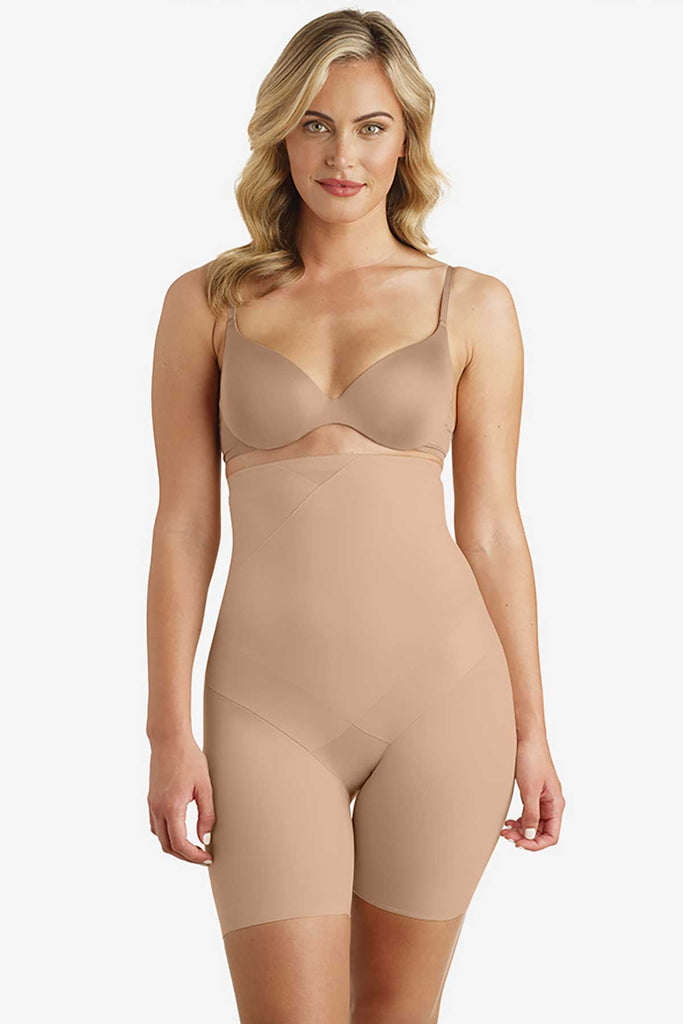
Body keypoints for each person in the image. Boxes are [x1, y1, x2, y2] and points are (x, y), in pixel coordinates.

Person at [146, 9, 565, 1022]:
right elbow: (183, 526)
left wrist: (532, 729)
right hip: (263, 711)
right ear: (280, 135)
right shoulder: (206, 302)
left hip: (445, 699)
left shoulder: (471, 305)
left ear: (406, 137)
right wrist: (167, 731)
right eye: (315, 124)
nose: (342, 156)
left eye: (371, 127)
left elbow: (493, 530)